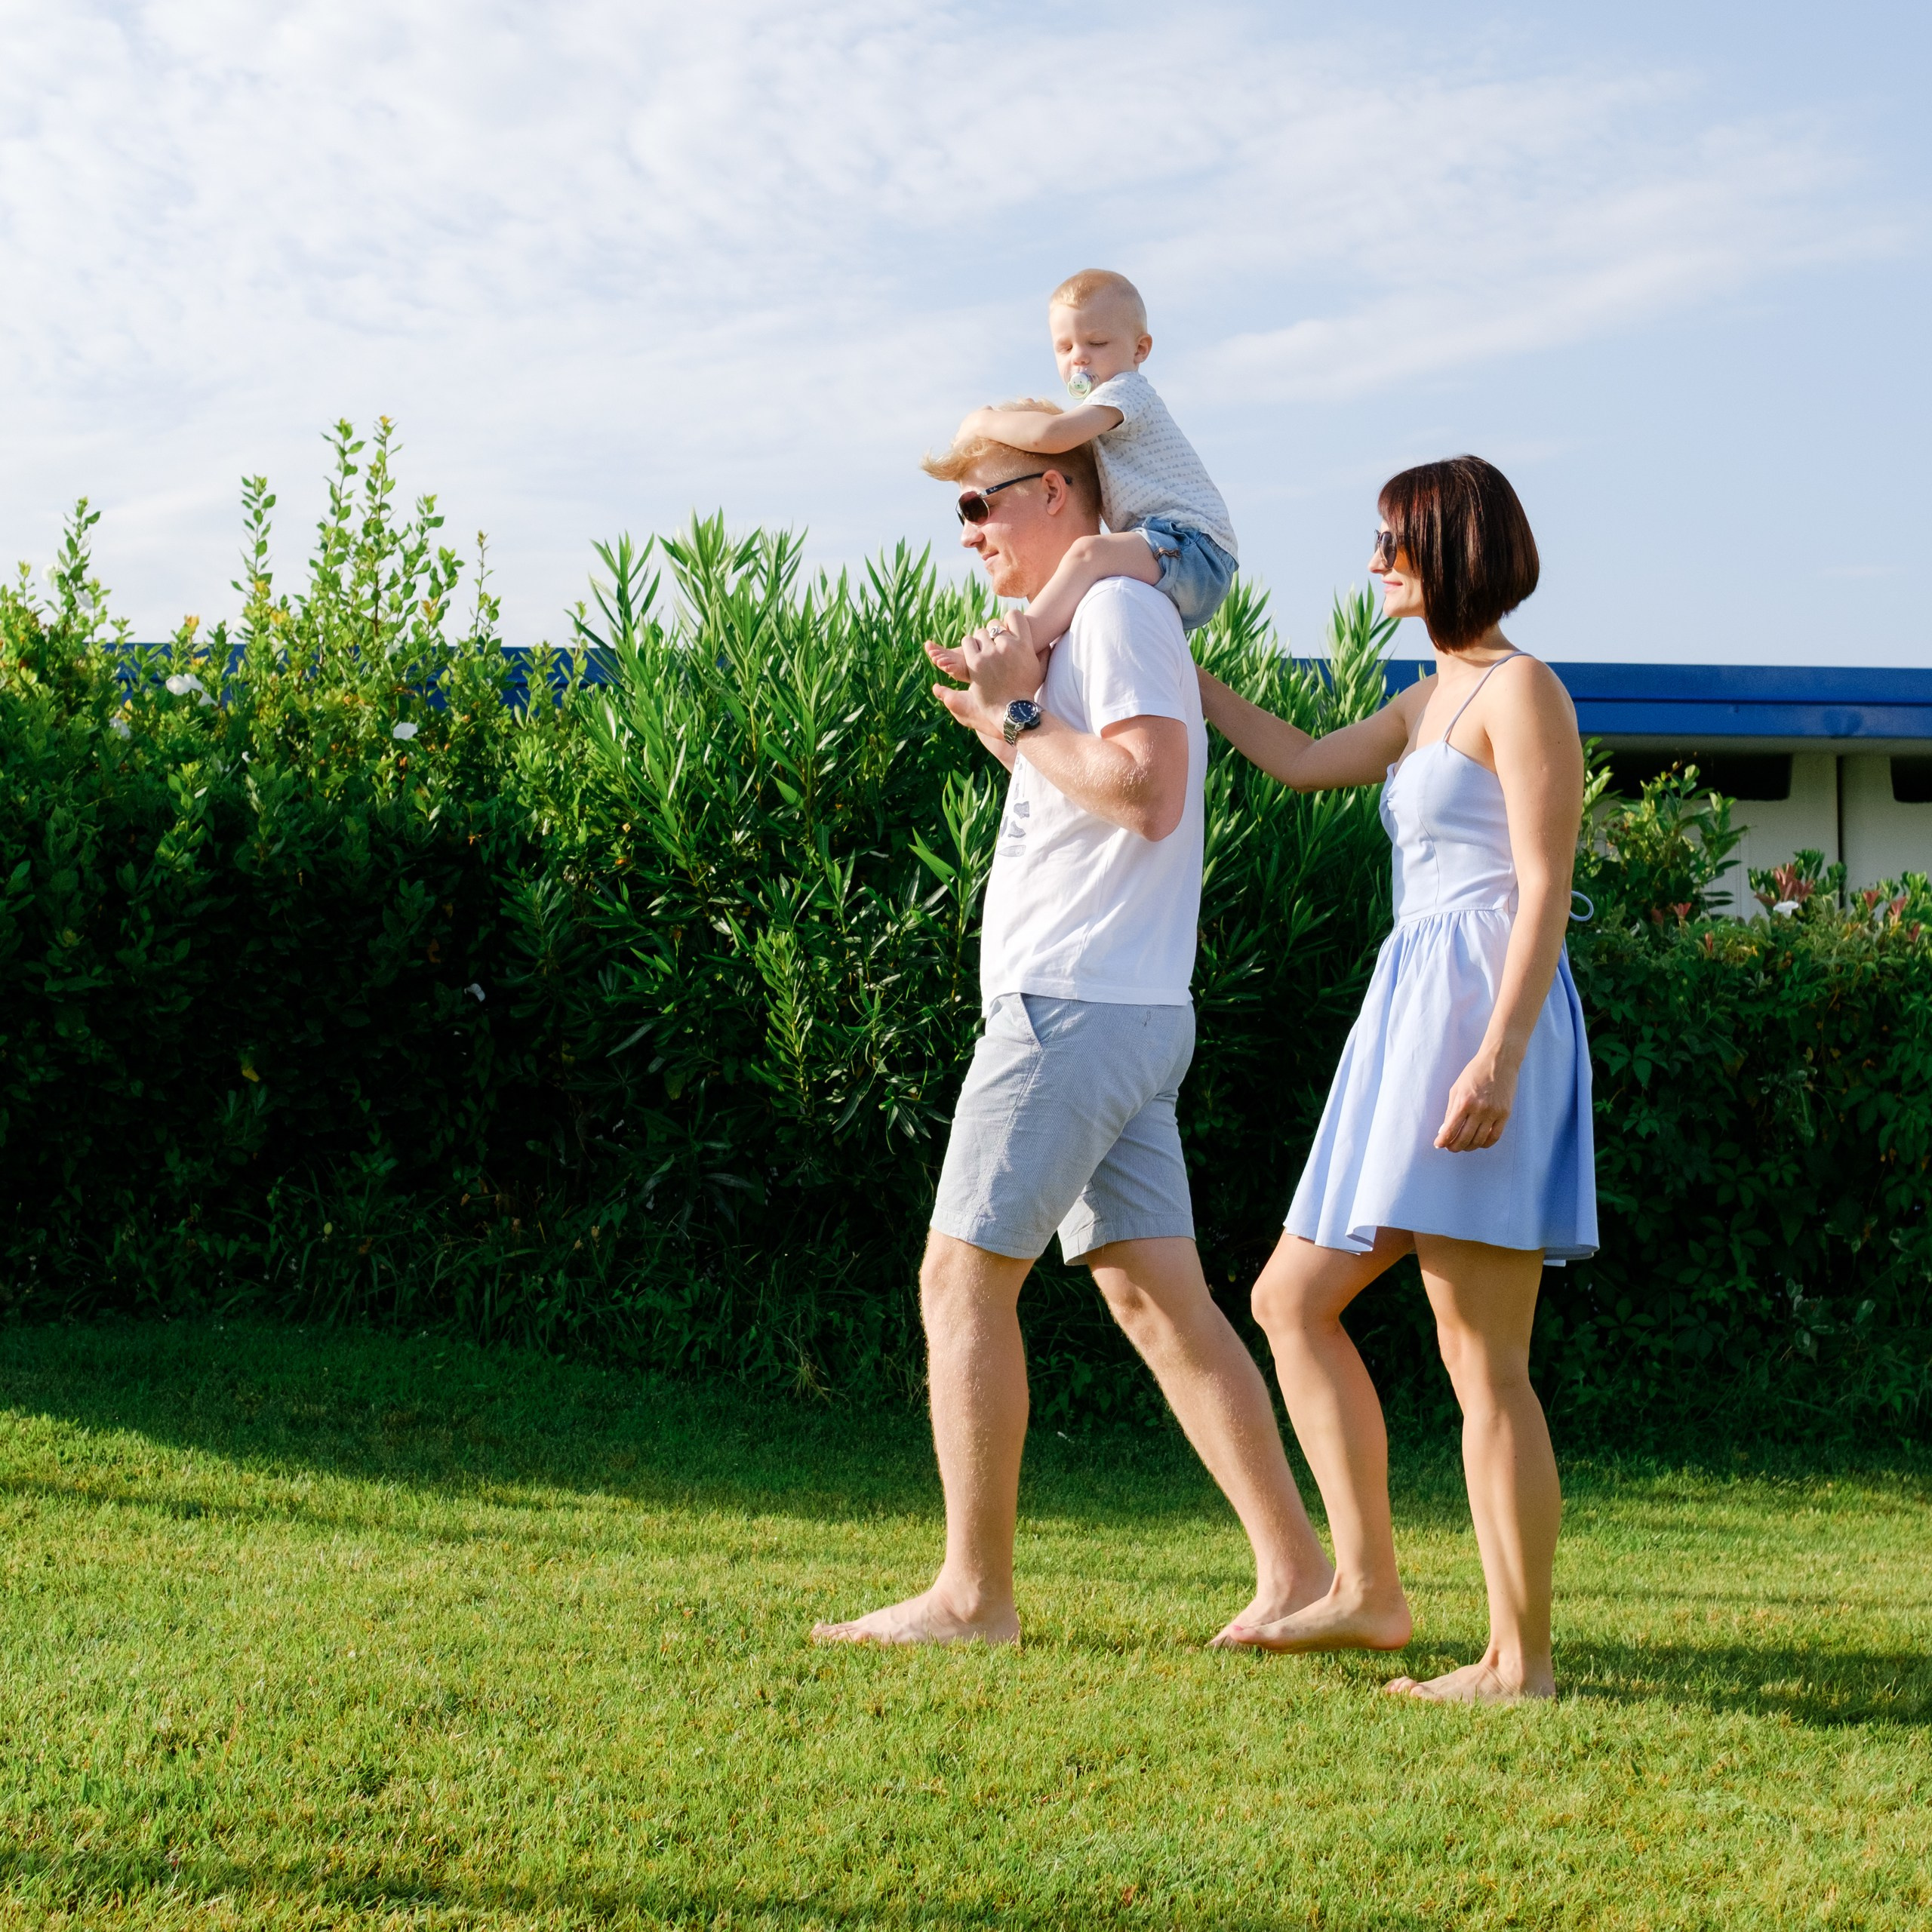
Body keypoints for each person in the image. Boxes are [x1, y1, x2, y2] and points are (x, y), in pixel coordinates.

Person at [811, 409, 1331, 1647]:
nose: (969, 531)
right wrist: (1009, 713)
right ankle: (1300, 1578)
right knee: (1159, 1305)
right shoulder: (1098, 624)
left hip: (1075, 1012)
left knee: (958, 1279)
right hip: (1119, 1011)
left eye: (980, 503)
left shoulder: (1116, 613)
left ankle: (972, 1599)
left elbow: (1148, 794)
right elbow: (1096, 793)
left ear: (1057, 494)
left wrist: (1020, 720)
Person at [1198, 456, 1596, 1703]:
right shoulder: (1430, 701)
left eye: (1390, 544)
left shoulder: (1521, 692)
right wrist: (1172, 664)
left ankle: (1515, 1664)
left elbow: (1543, 888)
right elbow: (1302, 757)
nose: (1374, 566)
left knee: (1484, 1362)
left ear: (1447, 549)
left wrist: (1499, 1055)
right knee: (1290, 1298)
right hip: (1412, 1018)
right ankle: (1368, 1590)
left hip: (1482, 1021)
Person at [944, 269, 1239, 650]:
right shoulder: (1101, 413)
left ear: (1140, 350)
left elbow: (1050, 437)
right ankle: (1040, 650)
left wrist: (983, 421)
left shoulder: (1128, 390)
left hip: (1194, 548)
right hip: (1173, 550)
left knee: (1088, 554)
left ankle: (1013, 645)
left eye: (1096, 343)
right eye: (1065, 348)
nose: (1080, 358)